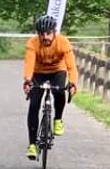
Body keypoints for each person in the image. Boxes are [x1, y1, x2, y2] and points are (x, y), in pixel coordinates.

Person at [22, 14, 78, 160]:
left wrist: (72, 83)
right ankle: (32, 144)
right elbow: (29, 64)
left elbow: (71, 66)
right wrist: (28, 80)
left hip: (57, 71)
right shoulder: (32, 44)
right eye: (41, 34)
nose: (45, 37)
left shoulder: (63, 43)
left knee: (59, 92)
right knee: (34, 105)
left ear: (54, 32)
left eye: (48, 33)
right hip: (38, 72)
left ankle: (58, 119)